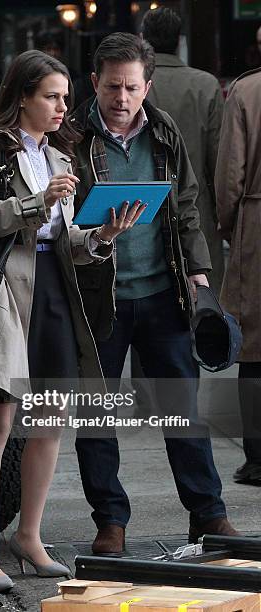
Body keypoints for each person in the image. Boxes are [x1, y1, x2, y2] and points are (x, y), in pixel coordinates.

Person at [0, 49, 144, 592]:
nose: (65, 107)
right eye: (52, 97)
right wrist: (37, 203)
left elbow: (64, 243)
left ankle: (29, 536)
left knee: (50, 421)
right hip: (8, 297)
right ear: (22, 96)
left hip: (56, 292)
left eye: (66, 97)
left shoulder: (62, 159)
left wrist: (104, 236)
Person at [72, 32, 238, 555]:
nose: (121, 99)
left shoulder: (163, 131)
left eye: (132, 88)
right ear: (94, 82)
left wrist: (200, 276)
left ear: (148, 86)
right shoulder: (72, 138)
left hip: (164, 293)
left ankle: (208, 515)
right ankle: (111, 522)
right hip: (98, 298)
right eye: (112, 87)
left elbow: (185, 205)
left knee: (181, 408)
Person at [141, 7, 225, 296]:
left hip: (142, 211)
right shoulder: (206, 85)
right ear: (180, 41)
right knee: (203, 304)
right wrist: (221, 214)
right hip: (197, 212)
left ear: (143, 40)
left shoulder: (132, 89)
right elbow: (219, 159)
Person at [215, 66, 261, 485]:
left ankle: (259, 458)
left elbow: (231, 173)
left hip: (258, 224)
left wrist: (229, 224)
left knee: (254, 346)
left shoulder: (246, 90)